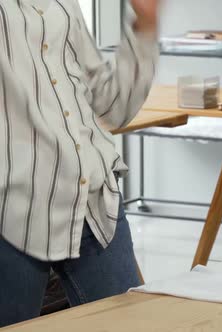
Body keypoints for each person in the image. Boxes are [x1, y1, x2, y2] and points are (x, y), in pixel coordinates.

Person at [0, 0, 159, 327]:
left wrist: (144, 27)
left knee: (132, 325)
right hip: (13, 211)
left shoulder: (61, 4)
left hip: (93, 200)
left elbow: (110, 106)